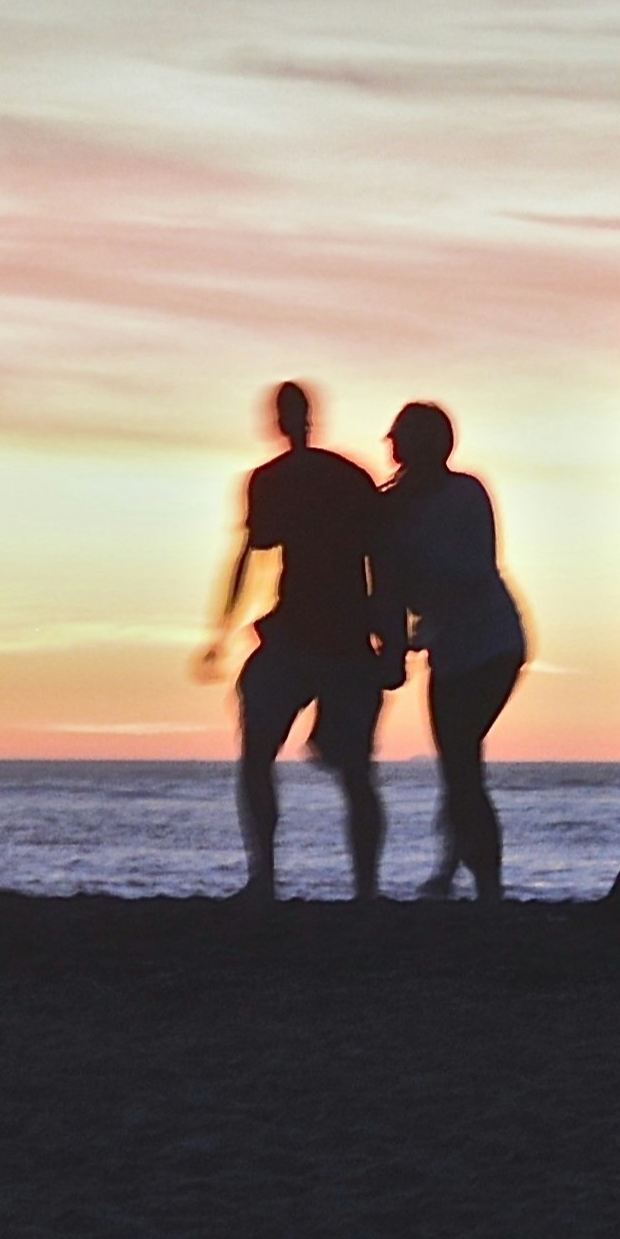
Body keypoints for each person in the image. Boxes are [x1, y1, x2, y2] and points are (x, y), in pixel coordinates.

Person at [195, 380, 398, 901]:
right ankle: (280, 877)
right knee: (286, 760)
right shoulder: (327, 478)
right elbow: (254, 554)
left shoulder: (300, 479)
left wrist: (391, 640)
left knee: (342, 769)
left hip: (334, 638)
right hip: (307, 636)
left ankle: (334, 884)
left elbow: (379, 561)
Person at [383, 400, 526, 900]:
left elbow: (473, 571)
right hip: (449, 647)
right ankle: (454, 868)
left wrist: (411, 625)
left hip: (490, 643)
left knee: (462, 761)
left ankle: (485, 881)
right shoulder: (395, 505)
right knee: (458, 763)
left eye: (399, 435)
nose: (391, 445)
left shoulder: (464, 494)